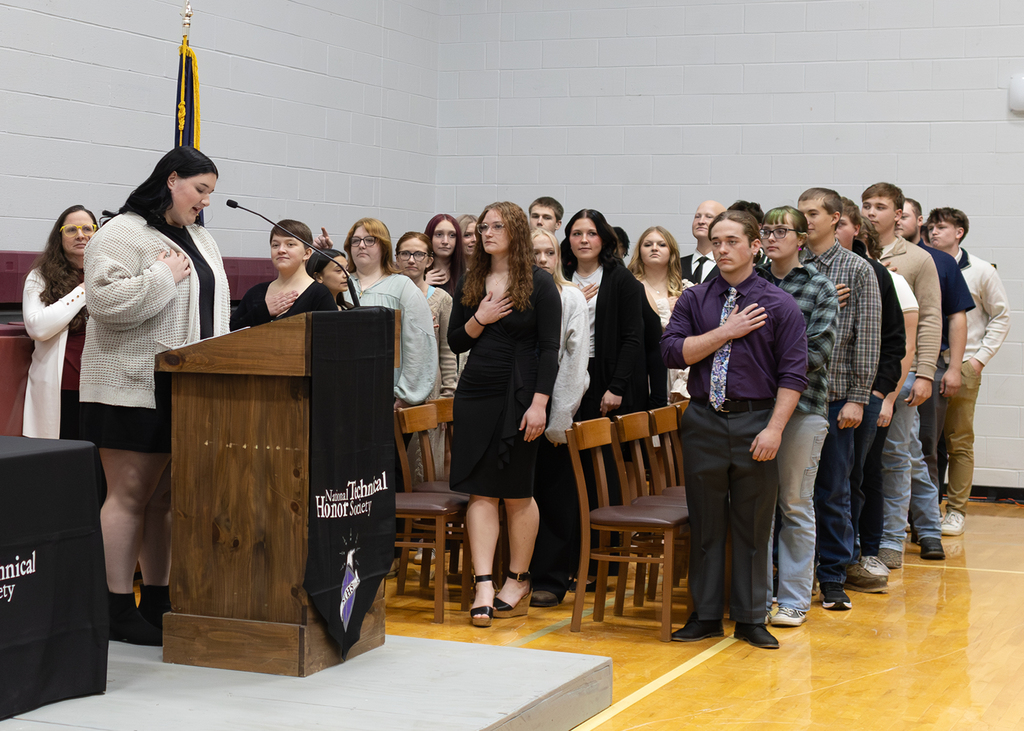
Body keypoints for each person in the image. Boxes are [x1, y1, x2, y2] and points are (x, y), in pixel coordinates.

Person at [80, 147, 231, 645]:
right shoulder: (120, 233)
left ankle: (159, 598)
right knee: (128, 497)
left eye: (210, 193)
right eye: (200, 190)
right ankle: (116, 606)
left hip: (186, 386)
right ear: (172, 180)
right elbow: (105, 304)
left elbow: (214, 311)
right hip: (130, 384)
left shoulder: (200, 237)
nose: (204, 202)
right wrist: (163, 276)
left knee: (164, 500)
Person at [662, 210, 807, 650]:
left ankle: (749, 618)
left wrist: (775, 429)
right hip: (703, 418)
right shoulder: (694, 299)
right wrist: (725, 332)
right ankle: (705, 615)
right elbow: (673, 353)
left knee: (753, 525)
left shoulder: (779, 303)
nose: (722, 249)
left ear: (754, 246)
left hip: (755, 421)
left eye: (731, 241)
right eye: (716, 241)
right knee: (706, 523)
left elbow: (794, 375)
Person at [447, 201, 561, 626]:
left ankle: (517, 579)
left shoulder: (539, 282)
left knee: (516, 490)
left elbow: (551, 348)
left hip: (521, 391)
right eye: (483, 227)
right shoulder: (473, 279)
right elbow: (457, 341)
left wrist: (539, 403)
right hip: (477, 390)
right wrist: (482, 316)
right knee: (480, 489)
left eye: (496, 226)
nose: (486, 233)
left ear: (515, 231)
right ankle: (482, 584)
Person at [797, 187, 881, 612]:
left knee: (832, 491)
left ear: (835, 218)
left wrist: (858, 398)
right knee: (793, 494)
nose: (806, 220)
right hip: (791, 395)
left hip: (835, 396)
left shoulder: (858, 269)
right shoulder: (787, 267)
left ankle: (832, 576)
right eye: (801, 213)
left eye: (813, 213)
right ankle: (793, 574)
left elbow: (867, 339)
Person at [758, 207, 838, 628]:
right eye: (766, 231)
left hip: (803, 410)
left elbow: (816, 354)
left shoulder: (819, 287)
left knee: (793, 502)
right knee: (758, 506)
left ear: (801, 239)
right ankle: (759, 596)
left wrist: (759, 360)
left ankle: (791, 598)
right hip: (752, 408)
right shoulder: (751, 281)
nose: (772, 238)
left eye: (781, 231)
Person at [861, 182, 944, 569]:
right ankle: (903, 530)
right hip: (862, 372)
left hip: (903, 371)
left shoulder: (917, 259)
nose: (871, 212)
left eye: (879, 206)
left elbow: (928, 320)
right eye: (866, 205)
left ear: (899, 214)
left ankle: (895, 537)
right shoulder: (855, 254)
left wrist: (925, 373)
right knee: (883, 457)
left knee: (899, 454)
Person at [836, 198, 909, 594]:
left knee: (859, 477)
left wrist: (879, 393)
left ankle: (861, 554)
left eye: (843, 223)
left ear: (854, 230)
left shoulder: (878, 275)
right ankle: (830, 559)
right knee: (828, 484)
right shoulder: (803, 272)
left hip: (865, 396)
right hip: (819, 396)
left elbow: (894, 342)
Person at [926, 208, 1010, 535]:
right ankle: (924, 507)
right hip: (928, 364)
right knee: (926, 442)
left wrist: (978, 360)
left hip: (964, 362)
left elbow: (1001, 316)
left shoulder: (981, 271)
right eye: (931, 227)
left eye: (942, 227)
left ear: (959, 232)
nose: (934, 232)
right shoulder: (924, 264)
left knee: (958, 441)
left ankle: (957, 510)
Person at [528, 227, 590, 608]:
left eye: (548, 253)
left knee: (552, 497)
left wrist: (558, 420)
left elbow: (574, 364)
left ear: (559, 257)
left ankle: (550, 577)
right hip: (515, 412)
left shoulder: (570, 297)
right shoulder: (512, 293)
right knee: (520, 497)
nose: (541, 260)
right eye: (533, 253)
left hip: (554, 418)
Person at [345, 218, 438, 410]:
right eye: (356, 240)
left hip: (388, 398)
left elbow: (419, 344)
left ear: (384, 246)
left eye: (370, 240)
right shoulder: (340, 285)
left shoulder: (402, 286)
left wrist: (406, 395)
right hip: (344, 393)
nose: (361, 245)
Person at [22, 205, 97, 439]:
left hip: (101, 386)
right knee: (63, 459)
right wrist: (82, 291)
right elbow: (38, 328)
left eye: (87, 228)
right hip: (62, 386)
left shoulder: (111, 274)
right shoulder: (40, 276)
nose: (81, 235)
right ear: (60, 236)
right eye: (71, 229)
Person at [229, 220, 337, 330]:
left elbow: (330, 339)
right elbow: (229, 332)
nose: (280, 250)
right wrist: (264, 311)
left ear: (307, 253)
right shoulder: (255, 292)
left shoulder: (320, 295)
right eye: (275, 245)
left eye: (290, 244)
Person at [627, 225, 689, 401]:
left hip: (677, 366)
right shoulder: (630, 287)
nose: (654, 248)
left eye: (661, 244)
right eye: (648, 244)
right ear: (640, 251)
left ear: (672, 252)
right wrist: (662, 307)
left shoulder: (685, 289)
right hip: (642, 365)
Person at [681, 200, 726, 283]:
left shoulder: (729, 266)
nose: (701, 221)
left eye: (709, 217)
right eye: (697, 216)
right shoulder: (675, 265)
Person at [424, 214, 466, 297]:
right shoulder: (417, 272)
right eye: (439, 234)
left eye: (452, 235)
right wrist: (422, 286)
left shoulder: (466, 275)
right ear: (429, 237)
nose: (445, 241)